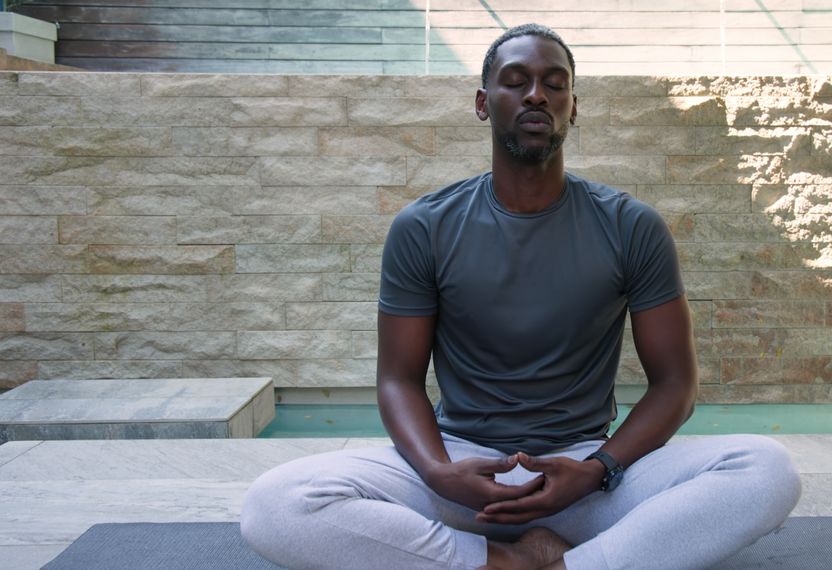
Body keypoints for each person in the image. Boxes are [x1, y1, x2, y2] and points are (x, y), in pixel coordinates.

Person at [240, 23, 801, 570]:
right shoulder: (425, 226)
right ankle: (510, 560)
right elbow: (398, 380)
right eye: (516, 80)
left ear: (573, 107)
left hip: (582, 474)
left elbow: (676, 384)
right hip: (461, 472)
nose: (537, 93)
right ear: (483, 102)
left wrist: (600, 466)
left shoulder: (631, 226)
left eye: (555, 83)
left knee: (764, 468)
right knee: (277, 503)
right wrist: (437, 471)